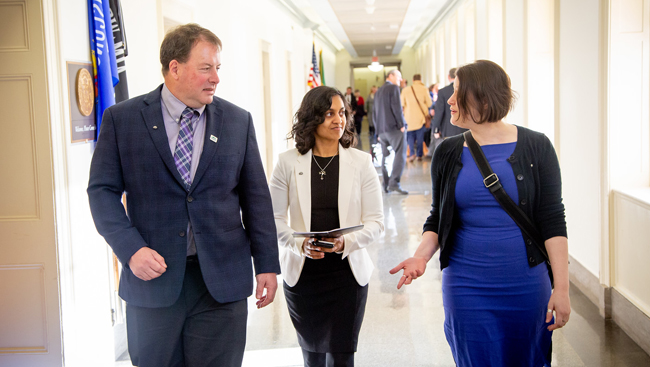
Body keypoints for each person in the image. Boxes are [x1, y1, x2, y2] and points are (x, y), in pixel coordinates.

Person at [87, 23, 280, 367]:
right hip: (153, 281)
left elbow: (256, 199)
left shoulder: (237, 121)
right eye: (206, 68)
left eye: (217, 68)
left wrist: (266, 263)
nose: (216, 78)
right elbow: (102, 192)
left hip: (221, 282)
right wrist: (130, 250)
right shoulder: (123, 119)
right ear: (174, 68)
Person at [390, 60, 570, 366]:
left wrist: (562, 289)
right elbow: (437, 218)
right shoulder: (447, 152)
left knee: (528, 358)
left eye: (457, 91)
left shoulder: (537, 147)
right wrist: (421, 256)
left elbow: (553, 220)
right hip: (466, 284)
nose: (448, 100)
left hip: (526, 284)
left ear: (483, 98)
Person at [270, 86, 384, 367]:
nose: (339, 120)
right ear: (312, 118)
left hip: (347, 274)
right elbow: (271, 218)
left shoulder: (361, 162)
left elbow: (376, 222)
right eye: (329, 113)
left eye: (342, 112)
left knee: (342, 358)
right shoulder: (287, 162)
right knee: (313, 359)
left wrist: (347, 242)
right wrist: (299, 244)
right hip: (303, 276)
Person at [373, 69, 408, 194]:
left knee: (386, 157)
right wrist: (401, 124)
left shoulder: (378, 92)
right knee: (400, 154)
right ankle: (394, 183)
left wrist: (377, 132)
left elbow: (374, 113)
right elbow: (397, 108)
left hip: (382, 131)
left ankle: (386, 183)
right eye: (398, 76)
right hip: (394, 129)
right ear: (390, 76)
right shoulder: (393, 88)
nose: (400, 79)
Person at [401, 74, 432, 162]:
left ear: (413, 80)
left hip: (409, 117)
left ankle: (411, 154)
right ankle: (419, 155)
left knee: (410, 136)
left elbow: (402, 104)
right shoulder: (424, 89)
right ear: (421, 80)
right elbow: (429, 103)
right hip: (420, 118)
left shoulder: (405, 90)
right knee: (420, 137)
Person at [431, 68, 467, 141]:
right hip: (465, 129)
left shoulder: (442, 92)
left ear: (448, 77)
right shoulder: (466, 90)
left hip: (449, 130)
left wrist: (436, 129)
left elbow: (439, 112)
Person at [365, 86, 378, 160]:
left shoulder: (378, 95)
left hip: (376, 111)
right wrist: (366, 109)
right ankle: (371, 131)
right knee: (370, 121)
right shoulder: (370, 96)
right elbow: (366, 102)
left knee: (375, 122)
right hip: (370, 111)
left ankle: (375, 131)